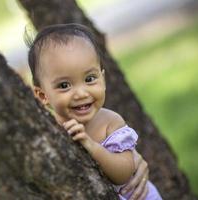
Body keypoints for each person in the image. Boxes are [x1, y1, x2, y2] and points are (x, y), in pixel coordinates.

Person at [25, 23, 162, 200]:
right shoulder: (49, 130)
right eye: (64, 85)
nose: (81, 93)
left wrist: (91, 145)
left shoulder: (109, 121)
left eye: (90, 79)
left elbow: (124, 174)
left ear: (102, 79)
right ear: (43, 95)